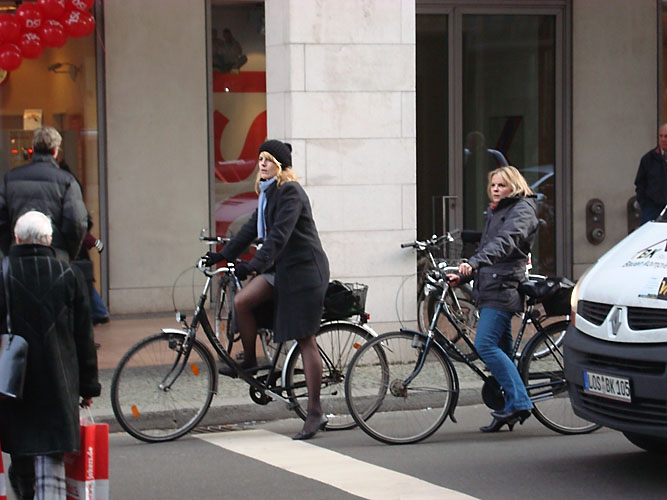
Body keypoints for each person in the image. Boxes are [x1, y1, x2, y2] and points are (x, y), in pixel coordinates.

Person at [203, 139, 330, 440]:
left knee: (305, 339)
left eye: (269, 159)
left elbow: (278, 237)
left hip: (303, 272)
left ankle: (315, 412)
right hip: (282, 269)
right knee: (242, 301)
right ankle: (249, 360)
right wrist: (224, 254)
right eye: (260, 158)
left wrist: (255, 264)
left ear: (281, 166)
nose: (262, 163)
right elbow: (250, 229)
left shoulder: (290, 193)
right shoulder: (267, 194)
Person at [0, 211, 100, 500]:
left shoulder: (4, 273)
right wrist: (88, 387)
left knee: (21, 454)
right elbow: (84, 338)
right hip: (59, 382)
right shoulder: (69, 275)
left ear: (17, 238)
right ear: (49, 240)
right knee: (52, 455)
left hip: (14, 386)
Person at [447, 166, 538, 433]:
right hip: (491, 286)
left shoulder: (522, 210)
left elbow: (505, 243)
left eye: (502, 185)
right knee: (503, 353)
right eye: (493, 185)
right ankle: (509, 407)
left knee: (485, 345)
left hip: (505, 287)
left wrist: (472, 263)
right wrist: (463, 277)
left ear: (514, 186)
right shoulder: (498, 210)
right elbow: (489, 249)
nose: (496, 189)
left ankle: (520, 401)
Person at [0, 126, 88, 262]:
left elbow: (2, 220)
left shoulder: (10, 179)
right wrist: (68, 252)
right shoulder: (67, 181)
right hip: (55, 256)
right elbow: (76, 222)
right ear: (55, 151)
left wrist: (9, 248)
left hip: (17, 256)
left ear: (33, 149)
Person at [634, 123, 667, 223]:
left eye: (666, 136)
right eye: (661, 136)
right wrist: (645, 205)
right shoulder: (648, 159)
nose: (663, 139)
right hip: (652, 210)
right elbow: (640, 184)